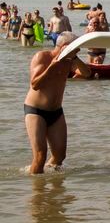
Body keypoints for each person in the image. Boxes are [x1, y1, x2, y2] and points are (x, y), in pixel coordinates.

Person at [24, 32, 94, 173]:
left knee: (60, 156)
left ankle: (53, 189)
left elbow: (87, 73)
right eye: (76, 47)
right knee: (40, 155)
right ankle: (37, 191)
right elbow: (35, 84)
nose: (79, 50)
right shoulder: (42, 57)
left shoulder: (70, 60)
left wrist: (74, 56)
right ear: (65, 46)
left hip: (56, 111)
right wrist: (52, 66)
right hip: (36, 110)